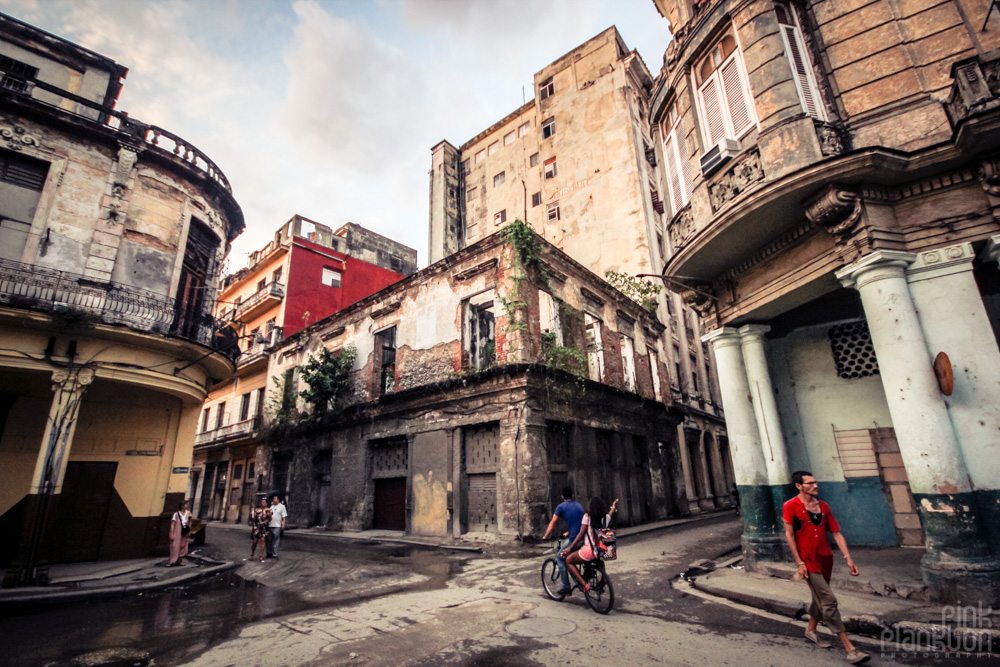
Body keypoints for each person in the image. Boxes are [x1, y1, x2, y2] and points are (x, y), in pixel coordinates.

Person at [783, 470, 869, 665]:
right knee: (828, 600)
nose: (815, 486)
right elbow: (789, 535)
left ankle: (811, 630)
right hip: (808, 561)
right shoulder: (791, 506)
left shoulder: (823, 506)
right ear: (799, 486)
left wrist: (848, 559)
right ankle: (850, 648)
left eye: (815, 482)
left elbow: (836, 533)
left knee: (819, 597)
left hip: (825, 559)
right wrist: (799, 563)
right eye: (810, 483)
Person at [563, 496, 617, 592]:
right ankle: (603, 580)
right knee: (599, 559)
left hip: (590, 550)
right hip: (602, 550)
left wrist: (570, 548)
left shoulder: (587, 517)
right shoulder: (605, 518)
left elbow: (581, 534)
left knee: (568, 560)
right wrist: (613, 508)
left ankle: (584, 585)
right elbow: (610, 514)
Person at [541, 486, 585, 596]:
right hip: (583, 538)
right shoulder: (579, 506)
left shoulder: (561, 507)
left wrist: (546, 536)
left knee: (560, 558)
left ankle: (566, 587)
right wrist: (568, 532)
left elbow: (552, 524)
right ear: (573, 495)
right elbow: (580, 523)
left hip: (574, 539)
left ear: (562, 497)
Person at [168, 500, 192, 567]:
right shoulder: (176, 514)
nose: (187, 505)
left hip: (185, 531)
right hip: (177, 531)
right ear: (182, 506)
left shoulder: (188, 513)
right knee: (175, 545)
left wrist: (189, 531)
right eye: (186, 504)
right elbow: (173, 524)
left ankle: (179, 560)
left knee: (183, 545)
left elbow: (190, 523)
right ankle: (172, 561)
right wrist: (171, 533)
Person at [250, 496, 272, 562]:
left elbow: (270, 519)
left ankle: (261, 555)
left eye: (264, 502)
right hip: (257, 526)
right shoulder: (257, 509)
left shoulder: (269, 510)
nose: (263, 503)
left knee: (262, 540)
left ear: (266, 503)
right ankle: (252, 553)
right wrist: (252, 515)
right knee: (255, 541)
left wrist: (269, 515)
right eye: (262, 502)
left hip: (264, 527)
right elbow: (253, 518)